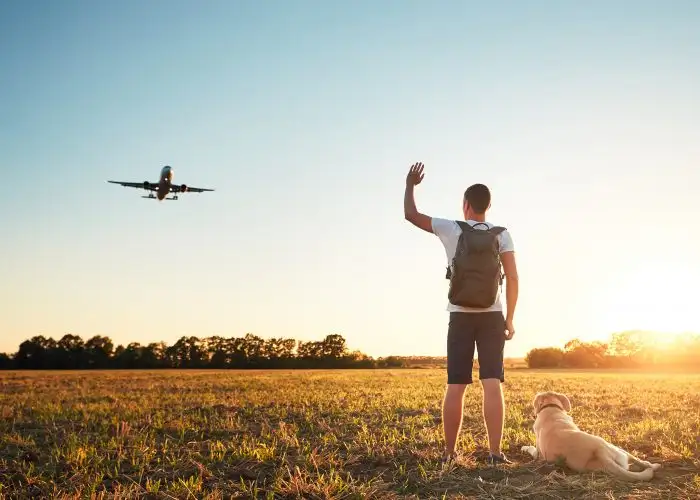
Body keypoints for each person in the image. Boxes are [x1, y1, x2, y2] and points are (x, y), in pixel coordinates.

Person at [403, 161, 519, 466]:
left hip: (460, 315)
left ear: (465, 205)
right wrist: (509, 319)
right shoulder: (502, 234)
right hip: (492, 315)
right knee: (491, 382)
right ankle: (495, 453)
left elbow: (411, 215)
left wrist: (410, 185)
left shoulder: (451, 228)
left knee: (456, 385)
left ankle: (450, 453)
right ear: (488, 206)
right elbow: (514, 277)